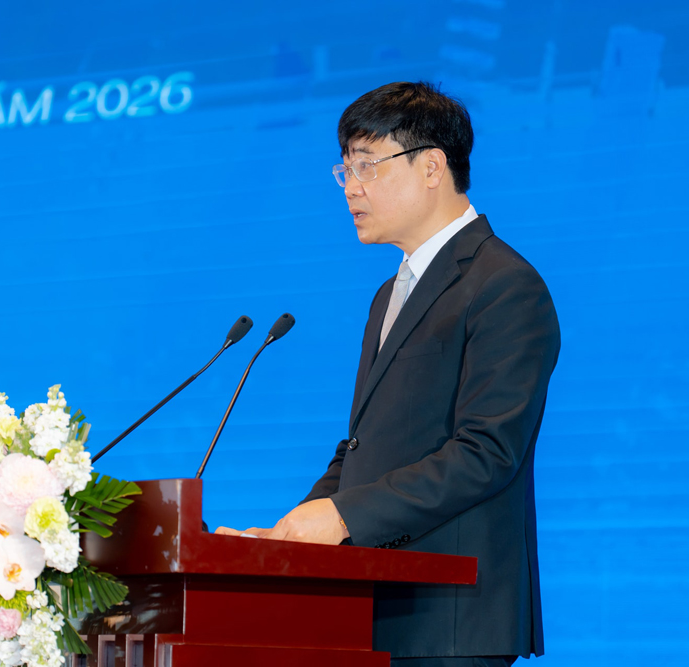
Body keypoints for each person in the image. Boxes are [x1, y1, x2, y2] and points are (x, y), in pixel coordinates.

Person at [217, 81, 561, 665]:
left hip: (450, 618)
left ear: (431, 167)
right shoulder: (389, 294)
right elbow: (362, 446)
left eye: (367, 166)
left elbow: (487, 452)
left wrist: (344, 515)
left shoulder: (504, 284)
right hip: (374, 605)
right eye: (345, 170)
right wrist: (287, 534)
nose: (351, 187)